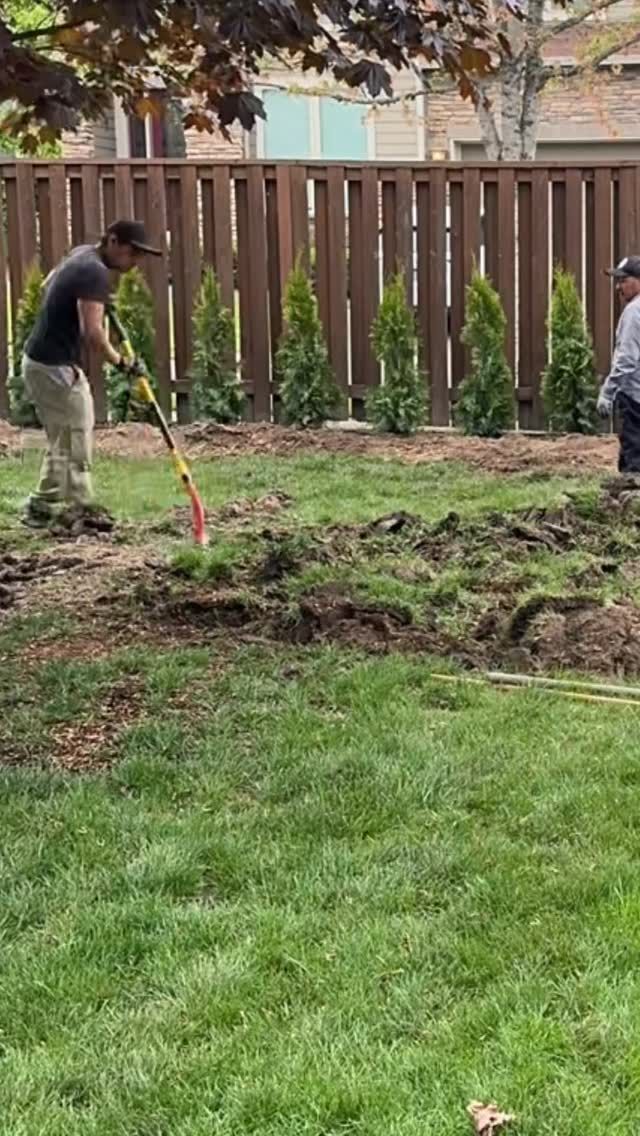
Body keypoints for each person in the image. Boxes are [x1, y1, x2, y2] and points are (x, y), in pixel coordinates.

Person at [21, 219, 161, 527]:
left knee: (65, 436)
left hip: (41, 361)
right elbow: (94, 335)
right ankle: (80, 511)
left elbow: (48, 284)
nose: (135, 262)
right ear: (112, 242)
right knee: (75, 436)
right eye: (132, 253)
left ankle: (41, 507)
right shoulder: (94, 272)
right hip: (53, 366)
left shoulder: (82, 255)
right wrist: (123, 363)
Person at [598, 254, 640, 473]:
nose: (618, 286)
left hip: (635, 399)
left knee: (634, 462)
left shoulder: (634, 312)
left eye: (624, 280)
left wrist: (608, 392)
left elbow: (627, 360)